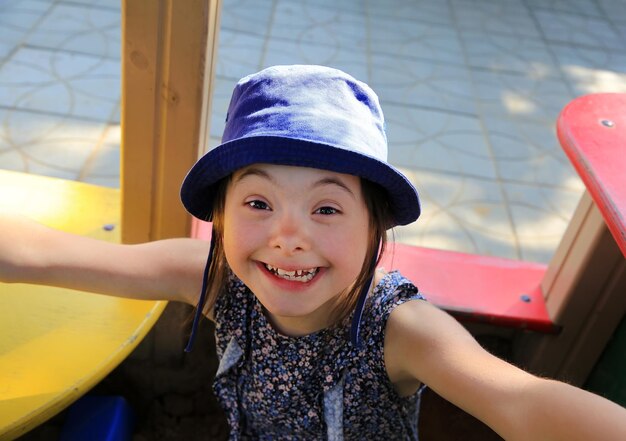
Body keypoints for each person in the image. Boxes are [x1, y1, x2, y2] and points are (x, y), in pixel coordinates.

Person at [1, 65, 625, 441]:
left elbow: (523, 403)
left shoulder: (402, 330)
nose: (288, 235)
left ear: (376, 233)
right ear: (217, 217)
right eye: (257, 204)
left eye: (326, 209)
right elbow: (47, 253)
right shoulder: (215, 276)